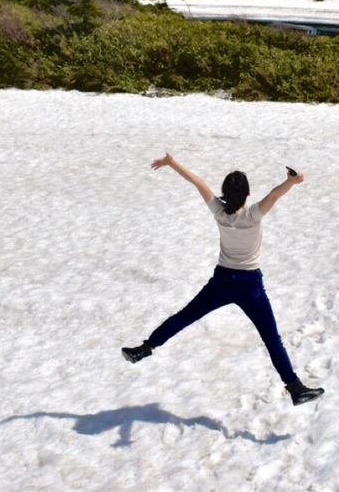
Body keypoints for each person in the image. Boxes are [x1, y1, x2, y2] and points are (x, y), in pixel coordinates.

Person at [121, 153, 325, 406]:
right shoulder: (253, 215)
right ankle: (294, 388)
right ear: (248, 194)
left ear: (225, 193)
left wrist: (171, 163)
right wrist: (292, 181)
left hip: (221, 282)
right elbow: (273, 195)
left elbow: (198, 182)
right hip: (251, 287)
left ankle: (144, 348)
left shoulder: (219, 211)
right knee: (271, 338)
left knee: (186, 315)